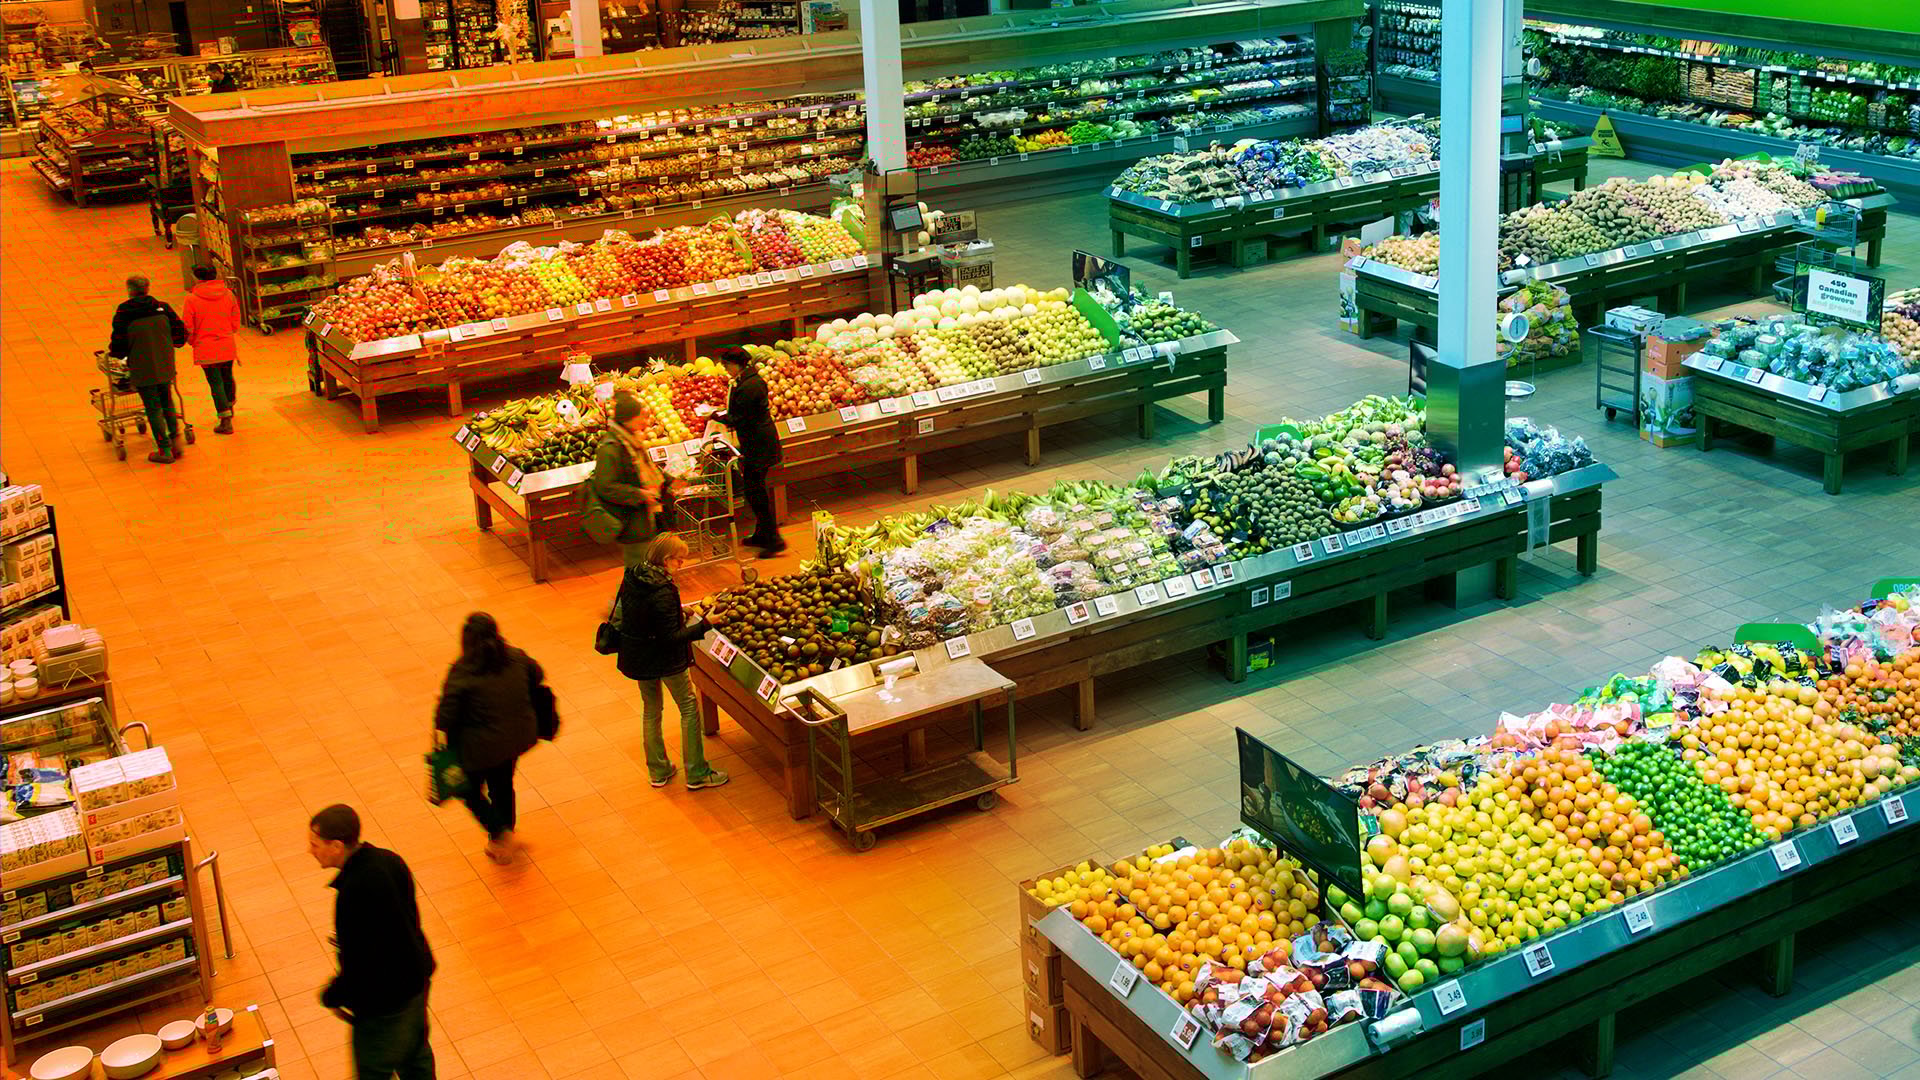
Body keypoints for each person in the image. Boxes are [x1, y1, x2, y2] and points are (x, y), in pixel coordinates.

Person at [309, 804, 437, 1080]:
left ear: (336, 846)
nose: (310, 851)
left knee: (374, 1070)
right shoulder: (390, 860)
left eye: (315, 844)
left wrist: (334, 995)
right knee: (416, 1056)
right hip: (416, 978)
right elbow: (409, 920)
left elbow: (360, 962)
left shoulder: (353, 893)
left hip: (384, 1002)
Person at [617, 533, 728, 790]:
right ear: (666, 560)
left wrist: (680, 612)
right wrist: (706, 624)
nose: (682, 565)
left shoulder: (634, 575)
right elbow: (671, 638)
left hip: (638, 655)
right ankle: (697, 773)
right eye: (679, 561)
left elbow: (637, 613)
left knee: (651, 710)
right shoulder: (663, 590)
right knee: (688, 707)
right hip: (664, 659)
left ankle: (658, 770)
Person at [432, 613, 546, 864]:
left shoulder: (462, 672)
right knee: (503, 784)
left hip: (481, 748)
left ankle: (501, 834)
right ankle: (504, 838)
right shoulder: (516, 657)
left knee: (467, 789)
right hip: (517, 737)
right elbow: (537, 674)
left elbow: (445, 717)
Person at [107, 275, 188, 464]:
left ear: (129, 290)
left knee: (153, 407)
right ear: (148, 288)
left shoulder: (124, 312)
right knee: (167, 400)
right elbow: (180, 334)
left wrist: (119, 356)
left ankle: (164, 450)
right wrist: (171, 344)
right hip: (165, 364)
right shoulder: (163, 308)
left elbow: (118, 345)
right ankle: (175, 439)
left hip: (142, 367)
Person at [712, 347, 783, 557]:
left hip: (759, 445)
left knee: (756, 492)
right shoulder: (746, 380)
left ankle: (773, 540)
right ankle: (763, 534)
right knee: (755, 491)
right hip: (758, 443)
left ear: (736, 364)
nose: (725, 369)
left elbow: (739, 418)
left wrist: (716, 417)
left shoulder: (749, 386)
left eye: (726, 365)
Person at [586, 390, 666, 566]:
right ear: (629, 418)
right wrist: (640, 494)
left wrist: (669, 480)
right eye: (640, 417)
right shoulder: (611, 447)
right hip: (631, 519)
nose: (645, 422)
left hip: (644, 516)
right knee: (637, 566)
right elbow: (606, 486)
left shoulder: (632, 441)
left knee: (645, 566)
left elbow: (644, 470)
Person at [182, 265, 241, 434]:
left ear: (197, 278)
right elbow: (235, 317)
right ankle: (229, 406)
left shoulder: (191, 299)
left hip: (205, 346)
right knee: (227, 376)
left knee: (215, 382)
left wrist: (192, 341)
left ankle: (225, 419)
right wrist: (229, 331)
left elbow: (188, 325)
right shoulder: (228, 294)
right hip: (226, 343)